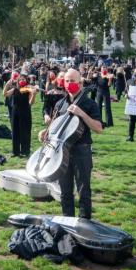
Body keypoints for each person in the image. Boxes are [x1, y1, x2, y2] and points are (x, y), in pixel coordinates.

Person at [39, 69, 102, 219]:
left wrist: (81, 113)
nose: (69, 84)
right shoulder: (60, 103)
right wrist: (45, 132)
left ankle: (85, 223)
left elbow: (98, 128)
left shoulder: (89, 103)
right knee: (65, 191)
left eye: (73, 80)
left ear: (80, 82)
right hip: (61, 153)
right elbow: (55, 126)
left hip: (81, 151)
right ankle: (67, 222)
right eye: (67, 81)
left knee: (83, 190)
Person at [5, 73, 36, 157]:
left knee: (25, 132)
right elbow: (5, 94)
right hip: (15, 112)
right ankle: (15, 151)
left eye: (24, 79)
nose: (22, 81)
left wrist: (33, 94)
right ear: (18, 81)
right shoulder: (15, 89)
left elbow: (30, 103)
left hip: (25, 112)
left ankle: (25, 151)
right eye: (21, 79)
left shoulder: (28, 89)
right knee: (15, 131)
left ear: (26, 80)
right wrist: (7, 85)